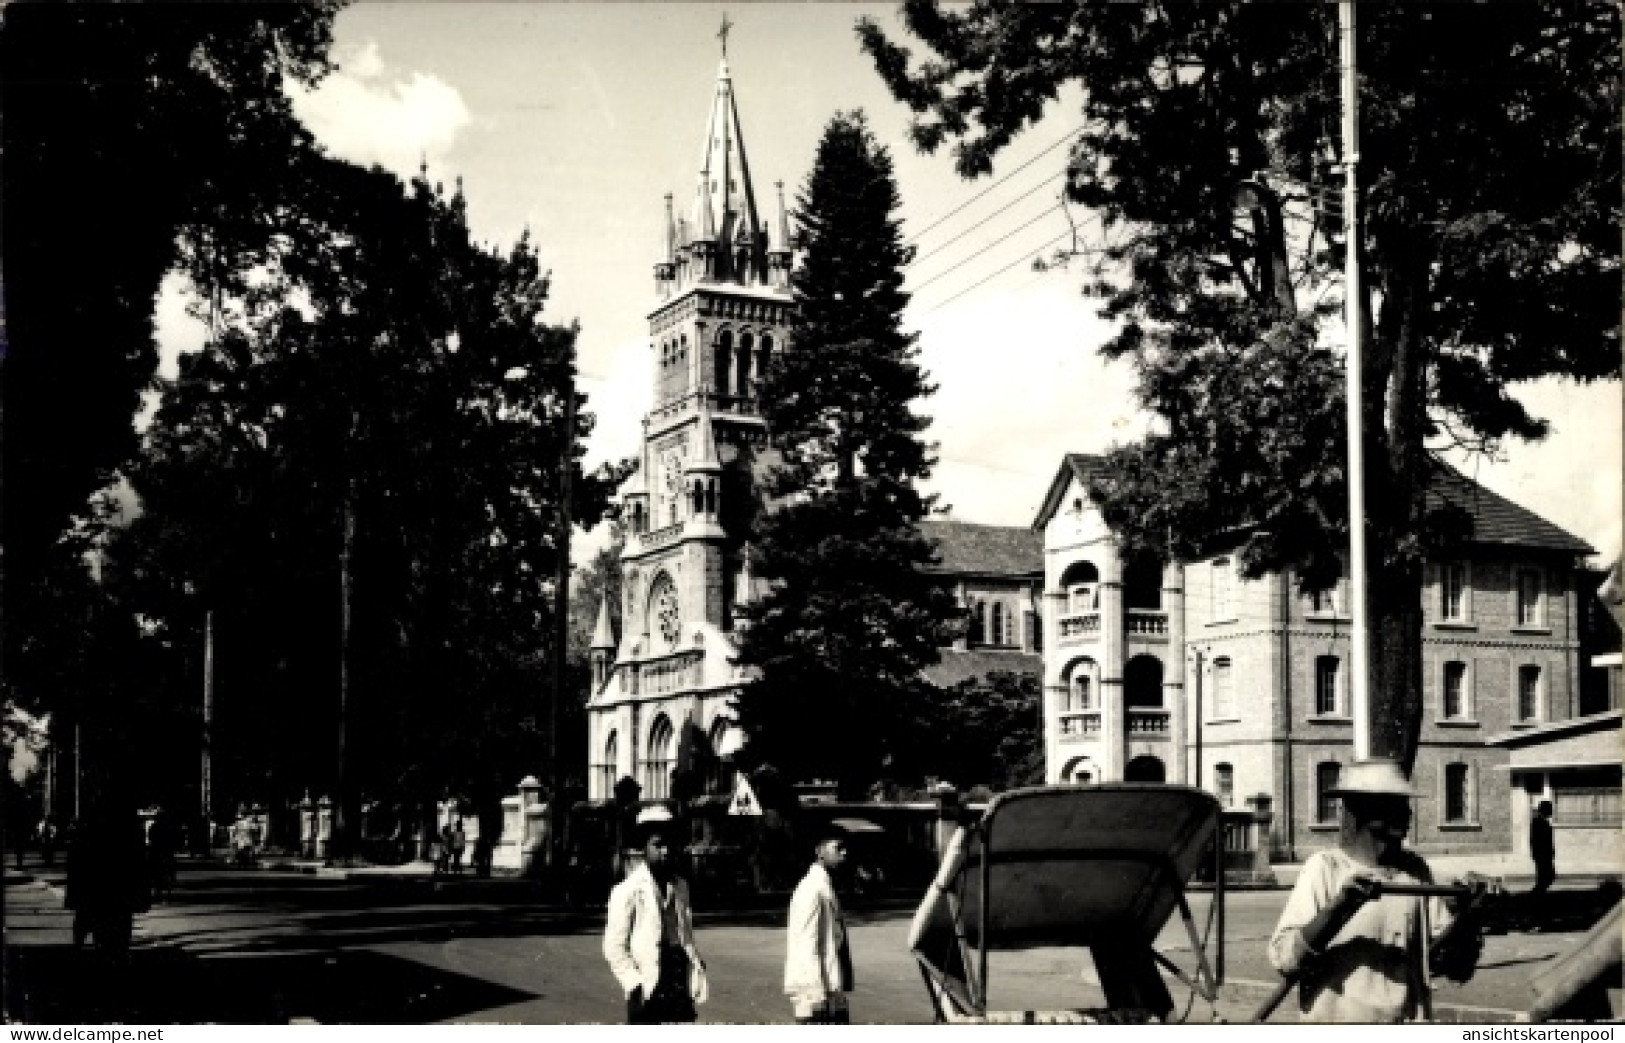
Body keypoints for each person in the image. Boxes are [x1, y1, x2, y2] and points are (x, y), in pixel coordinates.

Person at [1267, 758, 1481, 1022]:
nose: (1409, 814)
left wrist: (1471, 915)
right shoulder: (1326, 868)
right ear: (1365, 811)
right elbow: (1284, 958)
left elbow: (1441, 961)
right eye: (1396, 805)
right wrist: (1340, 907)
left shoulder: (1415, 872)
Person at [602, 806, 709, 1024]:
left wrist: (695, 961)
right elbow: (613, 947)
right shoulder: (627, 891)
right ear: (644, 847)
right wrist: (634, 983)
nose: (666, 851)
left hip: (678, 983)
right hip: (647, 985)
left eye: (670, 844)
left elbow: (684, 932)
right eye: (658, 845)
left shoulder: (681, 887)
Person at [785, 827, 855, 1024]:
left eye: (845, 848)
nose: (844, 853)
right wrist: (814, 992)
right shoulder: (811, 888)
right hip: (816, 992)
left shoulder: (824, 885)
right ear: (819, 851)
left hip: (829, 986)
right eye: (838, 848)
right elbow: (806, 942)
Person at [1529, 799, 1556, 894]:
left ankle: (1539, 892)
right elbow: (1536, 839)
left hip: (1545, 853)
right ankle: (1537, 894)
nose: (1552, 811)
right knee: (1546, 876)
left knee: (1547, 876)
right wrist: (1536, 853)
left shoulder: (1542, 821)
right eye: (1550, 809)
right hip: (1542, 854)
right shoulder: (1538, 821)